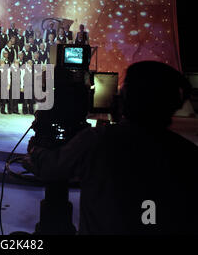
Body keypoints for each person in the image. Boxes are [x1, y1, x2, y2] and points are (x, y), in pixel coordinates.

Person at [28, 61, 198, 234]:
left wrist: (35, 150)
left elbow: (52, 168)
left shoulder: (98, 140)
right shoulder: (188, 154)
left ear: (126, 98)